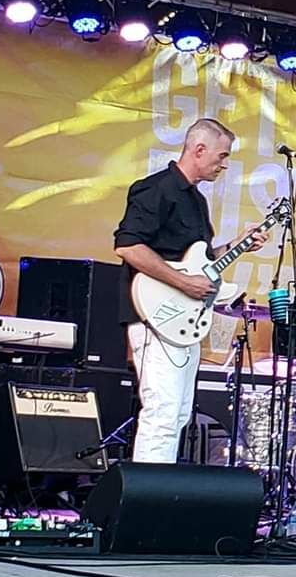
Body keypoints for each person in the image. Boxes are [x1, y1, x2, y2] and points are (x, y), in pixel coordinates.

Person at [113, 118, 267, 464]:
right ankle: (146, 503)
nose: (223, 164)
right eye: (221, 155)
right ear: (199, 150)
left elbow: (196, 260)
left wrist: (237, 245)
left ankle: (159, 493)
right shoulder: (156, 189)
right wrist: (183, 283)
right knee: (162, 411)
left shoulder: (197, 202)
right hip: (154, 315)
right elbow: (128, 246)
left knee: (179, 414)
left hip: (182, 319)